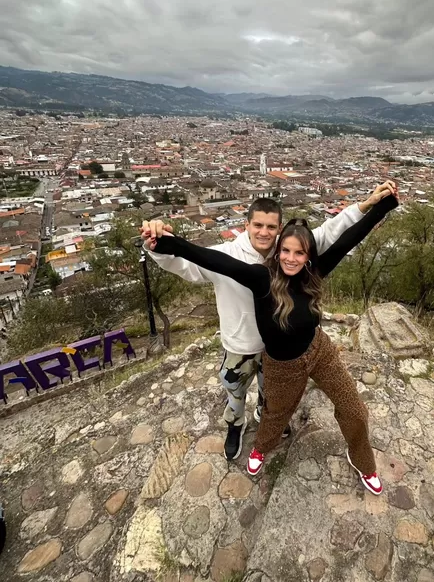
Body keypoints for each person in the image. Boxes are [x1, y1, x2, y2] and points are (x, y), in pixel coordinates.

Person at [144, 183, 399, 495]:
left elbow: (345, 237)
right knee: (273, 414)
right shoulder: (259, 276)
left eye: (298, 252)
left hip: (319, 350)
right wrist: (161, 243)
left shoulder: (312, 269)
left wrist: (381, 206)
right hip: (274, 360)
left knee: (355, 409)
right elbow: (205, 258)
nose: (291, 258)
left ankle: (363, 460)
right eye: (286, 252)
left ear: (304, 253)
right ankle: (256, 445)